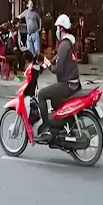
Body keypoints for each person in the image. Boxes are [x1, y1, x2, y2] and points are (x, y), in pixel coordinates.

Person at [36, 14, 81, 143]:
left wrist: (49, 66)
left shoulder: (64, 45)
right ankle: (58, 127)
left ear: (61, 29)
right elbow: (58, 58)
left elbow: (58, 69)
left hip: (67, 85)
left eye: (57, 28)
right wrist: (49, 62)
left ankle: (45, 128)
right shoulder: (69, 43)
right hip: (74, 83)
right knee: (54, 99)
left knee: (41, 94)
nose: (56, 31)